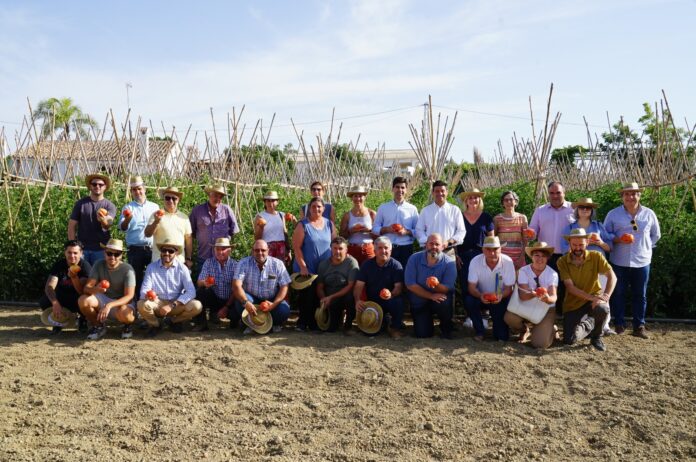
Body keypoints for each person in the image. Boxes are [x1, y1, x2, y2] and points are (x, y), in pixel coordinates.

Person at [603, 182, 661, 338]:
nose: (630, 197)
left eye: (634, 193)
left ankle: (639, 326)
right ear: (622, 196)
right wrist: (619, 240)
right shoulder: (613, 214)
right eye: (627, 194)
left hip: (642, 260)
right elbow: (605, 234)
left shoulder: (649, 214)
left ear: (639, 195)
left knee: (640, 294)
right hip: (619, 260)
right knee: (618, 293)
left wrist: (646, 247)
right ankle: (619, 324)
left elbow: (656, 235)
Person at [559, 197, 614, 334]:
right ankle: (587, 323)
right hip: (577, 265)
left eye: (588, 208)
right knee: (581, 295)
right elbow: (564, 249)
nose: (584, 210)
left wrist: (598, 242)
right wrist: (579, 246)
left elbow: (609, 247)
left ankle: (604, 326)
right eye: (582, 207)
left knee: (601, 295)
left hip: (597, 265)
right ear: (577, 209)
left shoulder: (598, 226)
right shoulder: (570, 228)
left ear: (591, 210)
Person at [557, 228, 616, 351]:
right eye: (574, 245)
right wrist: (593, 298)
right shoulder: (562, 261)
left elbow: (612, 277)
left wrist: (605, 296)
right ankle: (590, 323)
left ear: (587, 243)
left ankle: (597, 337)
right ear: (570, 244)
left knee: (602, 308)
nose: (578, 248)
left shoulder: (596, 256)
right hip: (573, 303)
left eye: (581, 245)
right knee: (569, 340)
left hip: (593, 299)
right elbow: (570, 287)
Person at [138, 239, 203, 337]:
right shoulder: (151, 267)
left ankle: (173, 321)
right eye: (164, 250)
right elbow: (144, 289)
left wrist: (172, 305)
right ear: (161, 252)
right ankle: (156, 325)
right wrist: (149, 296)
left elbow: (191, 292)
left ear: (176, 253)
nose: (167, 253)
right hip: (158, 302)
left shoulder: (182, 268)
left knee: (197, 306)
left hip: (176, 304)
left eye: (171, 251)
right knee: (141, 304)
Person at [292, 197, 336, 330]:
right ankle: (303, 322)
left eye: (319, 207)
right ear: (309, 209)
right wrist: (303, 266)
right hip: (307, 266)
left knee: (320, 294)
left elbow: (334, 244)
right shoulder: (303, 225)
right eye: (313, 207)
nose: (316, 209)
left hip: (324, 267)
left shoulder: (329, 224)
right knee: (307, 296)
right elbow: (296, 247)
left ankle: (316, 322)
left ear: (323, 209)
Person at [529, 181, 575, 309]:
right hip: (546, 256)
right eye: (552, 193)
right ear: (548, 194)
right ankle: (547, 312)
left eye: (558, 192)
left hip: (568, 255)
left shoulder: (573, 209)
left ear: (564, 193)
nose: (555, 196)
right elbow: (533, 230)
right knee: (547, 284)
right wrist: (530, 234)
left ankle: (562, 312)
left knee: (566, 285)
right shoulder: (540, 210)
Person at [78, 239, 136, 340]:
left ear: (121, 255)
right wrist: (97, 289)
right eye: (109, 253)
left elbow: (129, 296)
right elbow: (86, 288)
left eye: (116, 254)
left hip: (121, 302)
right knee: (83, 300)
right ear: (104, 253)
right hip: (104, 298)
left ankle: (127, 325)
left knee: (125, 314)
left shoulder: (127, 269)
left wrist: (109, 305)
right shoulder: (98, 264)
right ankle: (98, 326)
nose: (112, 257)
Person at [503, 242, 558, 349]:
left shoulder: (552, 274)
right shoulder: (523, 271)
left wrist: (548, 299)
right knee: (509, 318)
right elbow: (523, 296)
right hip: (526, 305)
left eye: (543, 256)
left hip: (546, 309)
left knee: (539, 344)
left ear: (547, 258)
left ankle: (551, 328)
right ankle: (524, 330)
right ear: (531, 257)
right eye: (536, 255)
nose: (540, 259)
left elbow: (553, 297)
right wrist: (535, 293)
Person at [232, 239, 292, 334]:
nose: (260, 253)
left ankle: (267, 324)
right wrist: (246, 302)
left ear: (268, 251)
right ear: (252, 251)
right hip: (252, 299)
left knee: (284, 310)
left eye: (263, 250)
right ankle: (253, 323)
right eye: (257, 250)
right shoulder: (243, 263)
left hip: (271, 300)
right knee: (240, 303)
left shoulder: (277, 264)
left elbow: (284, 286)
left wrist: (274, 304)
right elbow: (236, 285)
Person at [405, 233, 457, 339]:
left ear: (443, 246)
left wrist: (436, 285)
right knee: (422, 334)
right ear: (426, 245)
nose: (434, 247)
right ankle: (426, 325)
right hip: (419, 301)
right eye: (431, 244)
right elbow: (410, 284)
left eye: (437, 244)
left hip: (439, 299)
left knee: (445, 300)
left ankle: (446, 327)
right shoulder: (414, 259)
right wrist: (430, 295)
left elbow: (447, 288)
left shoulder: (449, 263)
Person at [353, 236, 406, 338]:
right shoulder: (367, 265)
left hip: (390, 299)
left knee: (398, 302)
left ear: (390, 250)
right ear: (375, 250)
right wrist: (357, 300)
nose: (383, 251)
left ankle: (395, 327)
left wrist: (391, 294)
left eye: (386, 248)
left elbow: (398, 287)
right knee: (370, 333)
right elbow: (358, 285)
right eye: (380, 248)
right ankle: (384, 322)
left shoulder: (396, 265)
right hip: (372, 302)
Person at [466, 236, 516, 341]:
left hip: (500, 297)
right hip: (481, 296)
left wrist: (501, 296)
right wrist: (480, 296)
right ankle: (480, 331)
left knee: (502, 337)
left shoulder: (508, 262)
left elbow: (509, 288)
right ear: (483, 249)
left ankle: (499, 330)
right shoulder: (475, 261)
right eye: (488, 249)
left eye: (495, 249)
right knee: (469, 301)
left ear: (500, 249)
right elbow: (471, 287)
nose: (492, 253)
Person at [119, 176, 160, 301]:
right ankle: (137, 306)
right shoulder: (128, 208)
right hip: (135, 249)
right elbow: (123, 228)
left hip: (152, 248)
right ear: (131, 192)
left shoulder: (154, 207)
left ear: (145, 189)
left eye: (139, 189)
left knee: (154, 277)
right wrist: (127, 219)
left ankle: (153, 304)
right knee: (135, 279)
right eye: (134, 190)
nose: (137, 192)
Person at [39, 240, 92, 334]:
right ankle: (58, 321)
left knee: (85, 299)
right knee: (45, 300)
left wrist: (74, 277)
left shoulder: (85, 267)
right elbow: (49, 287)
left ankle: (83, 320)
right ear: (65, 252)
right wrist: (55, 303)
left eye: (75, 253)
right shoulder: (59, 265)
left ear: (81, 253)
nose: (72, 256)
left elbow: (81, 290)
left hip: (77, 298)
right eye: (69, 252)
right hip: (62, 297)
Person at [67, 173, 116, 264]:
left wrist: (103, 220)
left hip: (101, 249)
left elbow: (108, 225)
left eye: (100, 184)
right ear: (90, 186)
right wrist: (73, 246)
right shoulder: (81, 204)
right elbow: (71, 226)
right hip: (82, 249)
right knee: (82, 276)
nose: (97, 186)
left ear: (105, 187)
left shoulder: (109, 206)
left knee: (99, 276)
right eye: (94, 184)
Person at [372, 176, 419, 268]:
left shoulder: (412, 209)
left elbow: (418, 230)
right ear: (393, 189)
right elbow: (375, 228)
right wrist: (387, 229)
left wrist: (406, 232)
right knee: (387, 276)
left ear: (406, 190)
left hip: (406, 247)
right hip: (387, 248)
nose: (400, 190)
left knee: (404, 275)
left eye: (402, 187)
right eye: (397, 187)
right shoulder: (383, 207)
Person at [189, 184, 240, 269]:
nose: (218, 199)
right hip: (203, 256)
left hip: (222, 258)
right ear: (209, 195)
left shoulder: (227, 210)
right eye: (215, 195)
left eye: (220, 197)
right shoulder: (197, 211)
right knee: (203, 281)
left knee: (222, 282)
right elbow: (191, 232)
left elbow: (233, 231)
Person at [316, 237, 360, 333]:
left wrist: (331, 297)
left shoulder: (352, 263)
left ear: (346, 250)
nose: (337, 251)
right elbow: (319, 287)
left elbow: (350, 286)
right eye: (335, 248)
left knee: (350, 298)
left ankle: (348, 325)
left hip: (343, 296)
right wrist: (324, 299)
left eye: (340, 249)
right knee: (331, 329)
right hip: (329, 299)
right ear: (330, 249)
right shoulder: (323, 264)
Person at [194, 237, 238, 331]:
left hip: (230, 300)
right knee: (201, 291)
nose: (220, 252)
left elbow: (237, 290)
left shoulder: (235, 265)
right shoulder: (209, 262)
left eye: (223, 249)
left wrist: (227, 307)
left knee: (235, 318)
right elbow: (199, 282)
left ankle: (235, 321)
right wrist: (204, 283)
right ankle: (202, 323)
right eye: (217, 249)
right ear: (214, 250)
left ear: (229, 250)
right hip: (215, 298)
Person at [144, 186, 193, 268]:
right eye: (167, 198)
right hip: (158, 261)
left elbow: (188, 239)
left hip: (179, 262)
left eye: (174, 198)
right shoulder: (156, 215)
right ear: (163, 199)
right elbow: (147, 234)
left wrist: (188, 258)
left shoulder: (184, 217)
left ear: (178, 200)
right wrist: (156, 221)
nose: (171, 201)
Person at [456, 188, 494, 291]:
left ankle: (484, 306)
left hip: (481, 256)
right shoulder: (459, 216)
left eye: (476, 197)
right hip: (463, 257)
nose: (473, 200)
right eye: (470, 198)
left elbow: (491, 240)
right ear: (466, 201)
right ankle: (468, 307)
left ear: (480, 200)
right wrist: (455, 255)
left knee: (483, 285)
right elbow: (454, 236)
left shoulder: (486, 217)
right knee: (465, 285)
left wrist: (490, 256)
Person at [415, 180, 465, 256]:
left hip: (448, 251)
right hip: (429, 251)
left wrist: (449, 241)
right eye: (437, 191)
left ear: (447, 192)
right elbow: (419, 230)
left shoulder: (455, 210)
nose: (440, 193)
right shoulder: (425, 211)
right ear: (433, 193)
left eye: (442, 191)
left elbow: (461, 231)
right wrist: (429, 242)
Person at [339, 186, 376, 265]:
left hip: (368, 248)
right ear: (352, 198)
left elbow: (378, 235)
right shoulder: (347, 215)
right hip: (352, 248)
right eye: (355, 196)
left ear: (364, 197)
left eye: (360, 196)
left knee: (370, 272)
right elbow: (341, 236)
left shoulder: (372, 213)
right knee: (353, 273)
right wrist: (350, 231)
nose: (358, 199)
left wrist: (369, 231)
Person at [254, 190, 292, 265]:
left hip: (281, 247)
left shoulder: (281, 215)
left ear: (277, 202)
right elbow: (257, 238)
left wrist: (288, 250)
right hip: (267, 247)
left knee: (280, 271)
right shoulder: (260, 216)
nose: (270, 203)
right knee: (268, 271)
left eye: (273, 200)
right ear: (265, 202)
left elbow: (285, 232)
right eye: (268, 200)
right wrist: (261, 228)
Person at [493, 190, 529, 270]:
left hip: (518, 259)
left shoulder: (522, 218)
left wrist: (521, 258)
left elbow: (525, 240)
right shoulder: (497, 219)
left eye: (511, 199)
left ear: (516, 202)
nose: (509, 202)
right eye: (506, 200)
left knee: (520, 282)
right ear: (502, 203)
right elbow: (493, 240)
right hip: (502, 259)